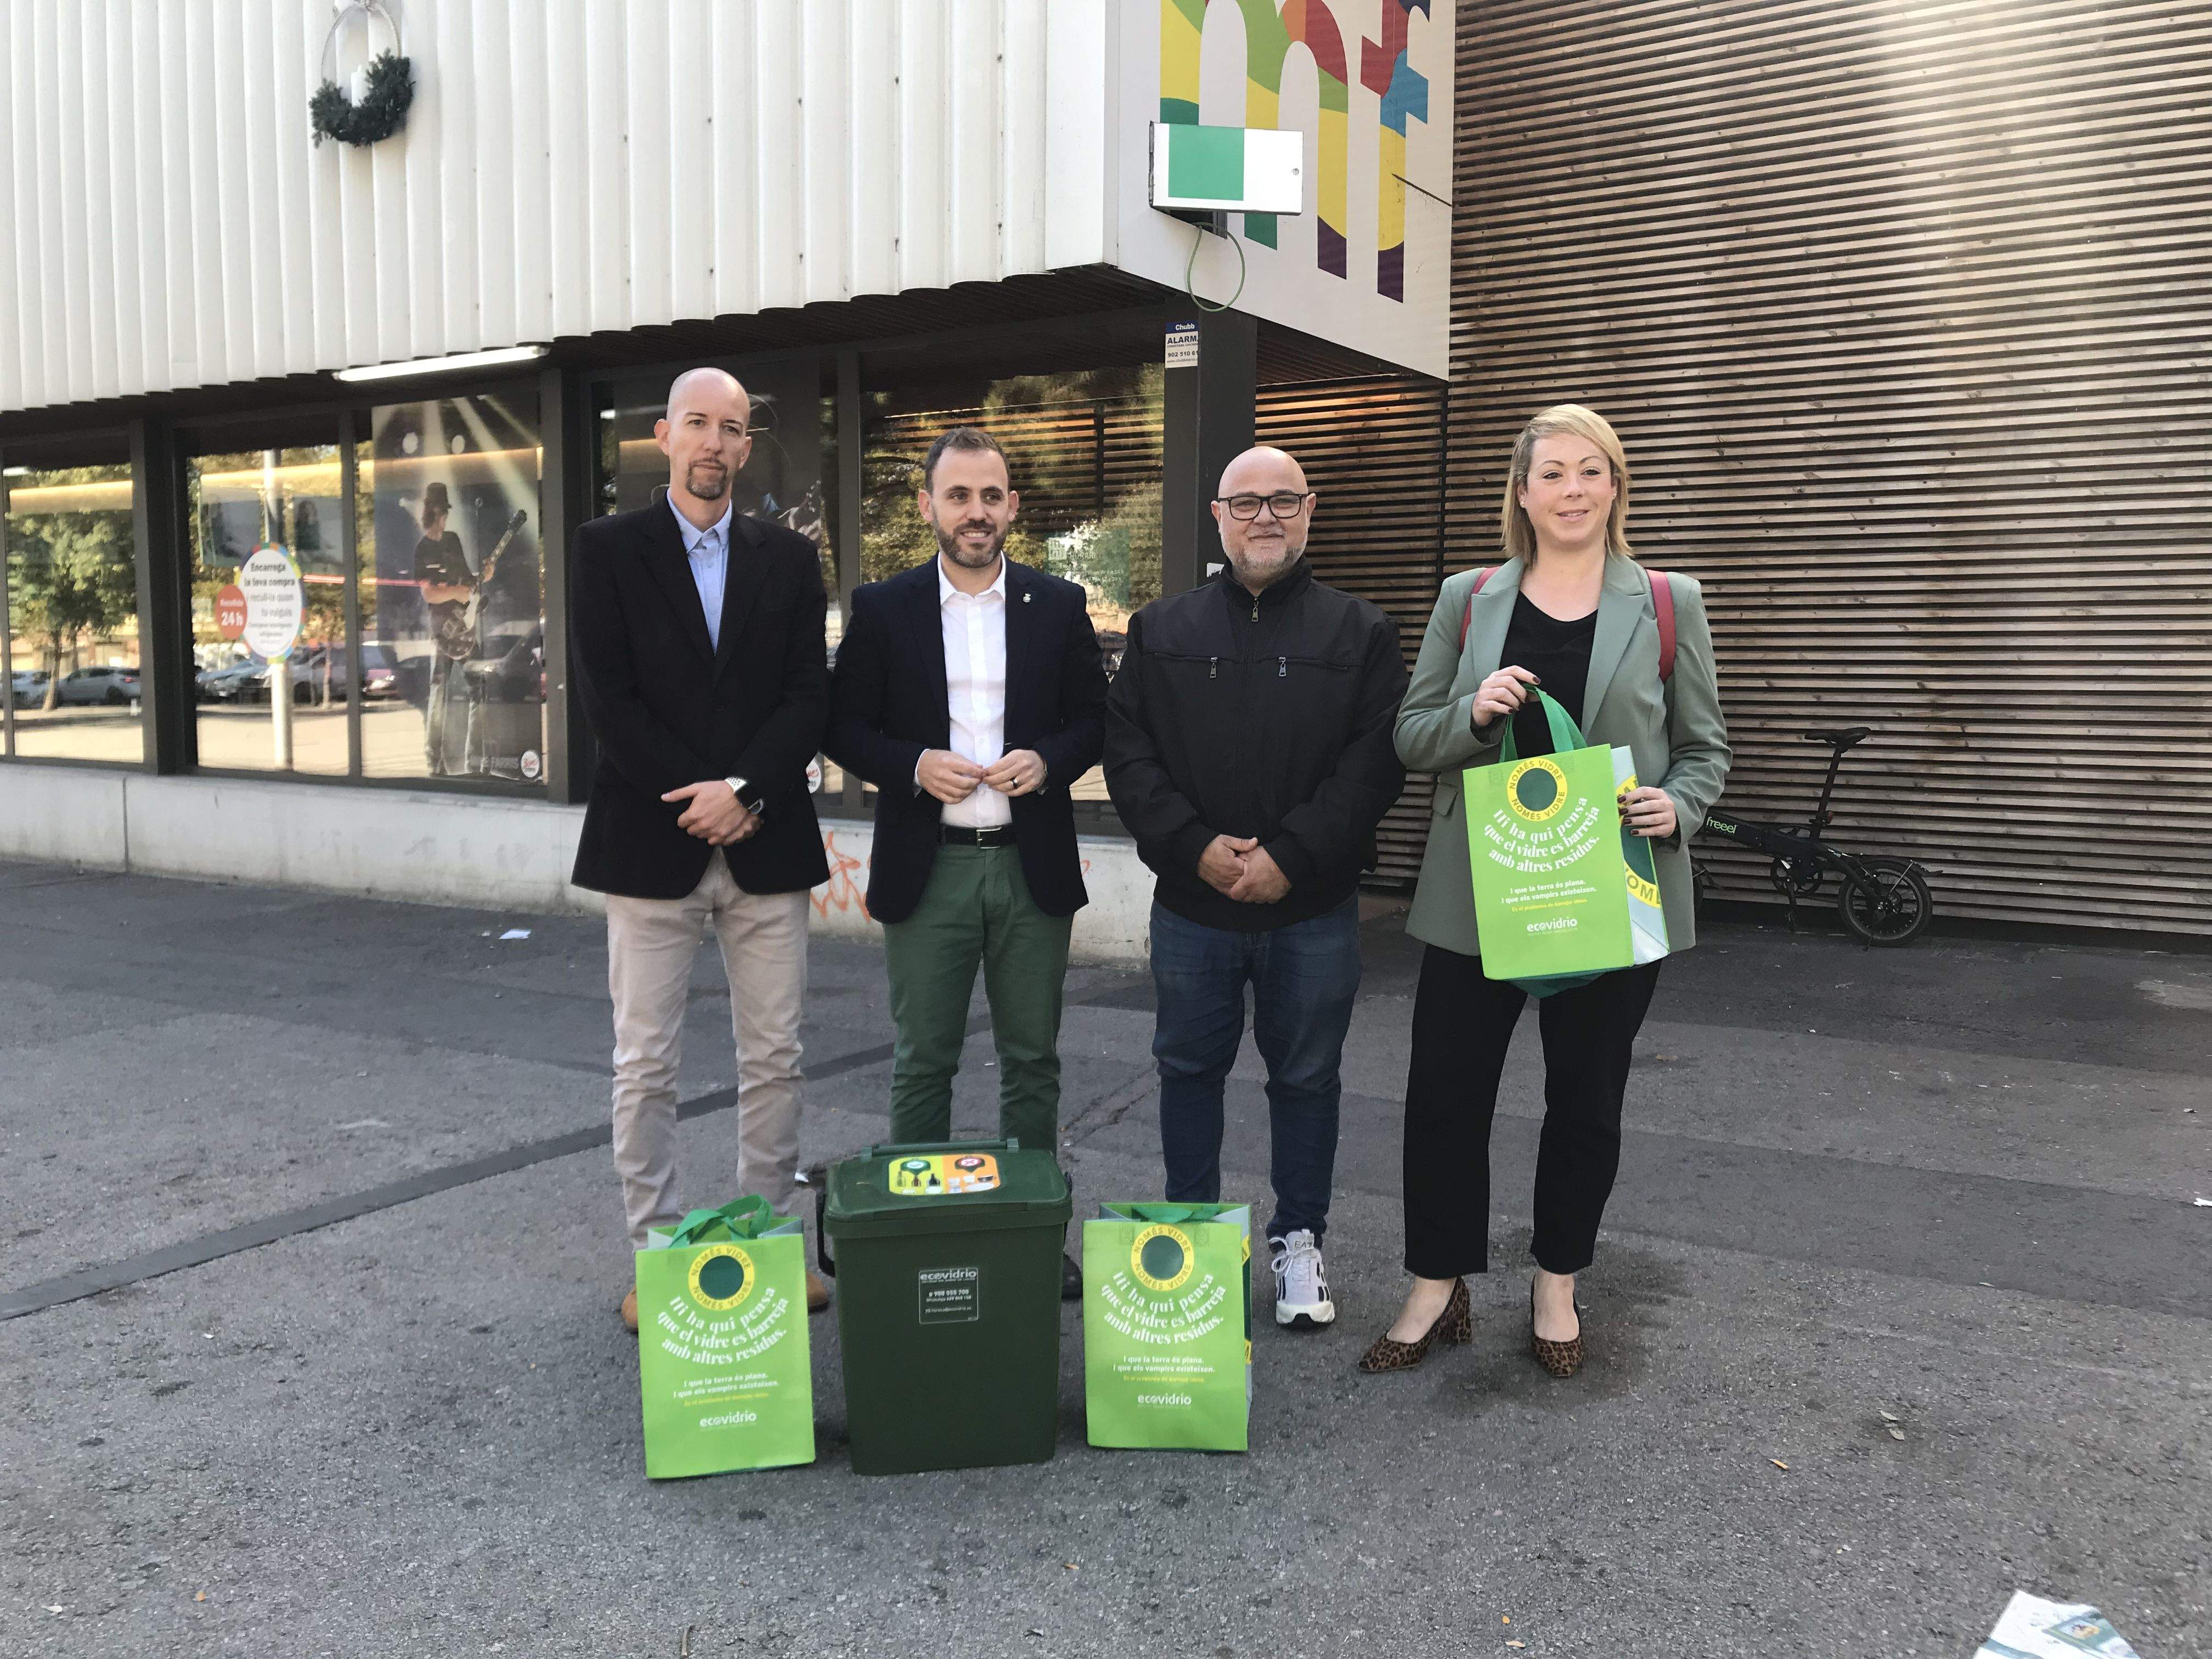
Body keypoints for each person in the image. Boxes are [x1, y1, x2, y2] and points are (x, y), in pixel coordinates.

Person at [1363, 403, 1730, 1376]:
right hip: (1480, 891)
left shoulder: (1667, 602)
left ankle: (1557, 1281)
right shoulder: (1469, 597)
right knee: (1445, 1095)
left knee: (1587, 1098)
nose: (1573, 489)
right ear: (1521, 494)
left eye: (1591, 470)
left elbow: (1704, 747)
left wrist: (1679, 805)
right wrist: (1473, 714)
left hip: (1611, 884)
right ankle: (1436, 1283)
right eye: (1553, 473)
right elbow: (1412, 736)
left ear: (1616, 485)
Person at [1104, 445, 1407, 1331]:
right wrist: (1194, 847)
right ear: (1217, 515)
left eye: (1282, 500)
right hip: (1191, 907)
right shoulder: (1160, 627)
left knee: (1306, 1078)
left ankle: (1299, 1240)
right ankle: (1192, 1245)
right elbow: (1128, 756)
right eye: (1246, 502)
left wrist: (1291, 855)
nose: (1264, 516)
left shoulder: (1361, 631)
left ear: (1309, 509)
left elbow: (1375, 764)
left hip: (1310, 907)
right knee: (1187, 1072)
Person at [569, 367, 833, 1334]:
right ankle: (658, 1255)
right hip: (652, 840)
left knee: (776, 1056)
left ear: (746, 447)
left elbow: (807, 695)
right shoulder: (607, 549)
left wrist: (747, 791)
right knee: (645, 1063)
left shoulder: (789, 558)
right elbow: (611, 701)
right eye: (697, 424)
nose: (714, 442)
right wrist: (705, 798)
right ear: (664, 436)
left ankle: (766, 1243)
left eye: (730, 428)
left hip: (768, 840)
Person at [826, 427, 1107, 1300]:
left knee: (1033, 1062)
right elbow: (842, 727)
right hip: (931, 866)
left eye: (991, 496)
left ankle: (1032, 1238)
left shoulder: (1059, 605)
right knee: (924, 1062)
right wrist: (913, 765)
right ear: (928, 508)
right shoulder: (884, 609)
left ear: (1012, 506)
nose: (975, 512)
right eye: (958, 496)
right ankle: (919, 1238)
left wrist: (1049, 760)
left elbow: (1096, 721)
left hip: (1030, 866)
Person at [414, 482, 473, 775]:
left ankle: (474, 758)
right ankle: (433, 760)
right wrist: (456, 593)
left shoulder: (453, 541)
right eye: (442, 512)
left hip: (464, 627)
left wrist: (482, 576)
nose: (445, 518)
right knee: (438, 692)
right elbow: (429, 594)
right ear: (433, 513)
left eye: (446, 513)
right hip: (441, 631)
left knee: (477, 686)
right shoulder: (422, 550)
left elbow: (467, 580)